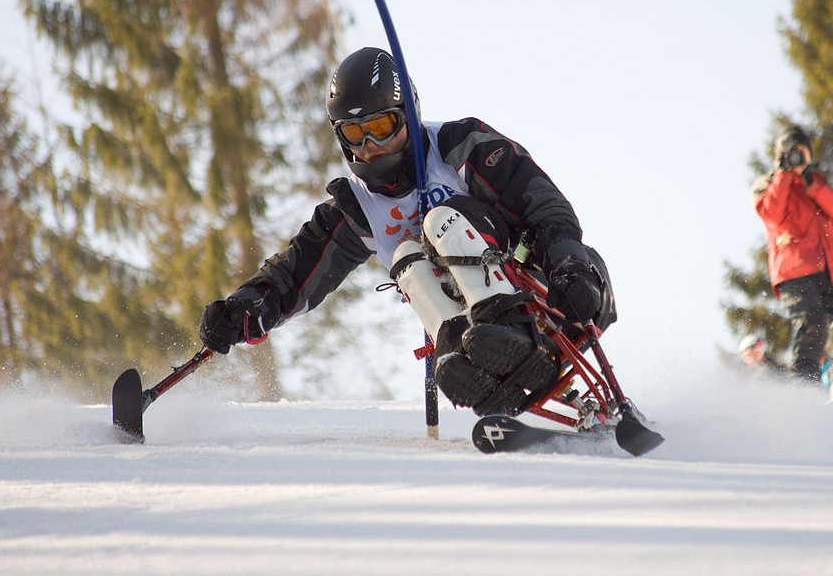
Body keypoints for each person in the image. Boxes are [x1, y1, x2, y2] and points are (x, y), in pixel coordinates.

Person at [196, 47, 615, 415]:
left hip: (553, 286)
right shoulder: (356, 207)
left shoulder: (460, 146)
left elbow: (543, 202)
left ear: (409, 117)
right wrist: (244, 309)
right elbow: (295, 273)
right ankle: (463, 355)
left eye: (380, 129)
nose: (369, 148)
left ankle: (512, 328)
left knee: (441, 222)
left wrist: (568, 263)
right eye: (354, 135)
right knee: (407, 259)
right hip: (475, 336)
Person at [751, 125, 833, 390]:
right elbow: (770, 215)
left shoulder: (816, 183)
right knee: (813, 322)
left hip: (832, 271)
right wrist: (783, 174)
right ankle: (805, 389)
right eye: (791, 152)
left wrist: (810, 182)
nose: (796, 157)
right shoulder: (767, 184)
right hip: (796, 270)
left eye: (801, 152)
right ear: (780, 153)